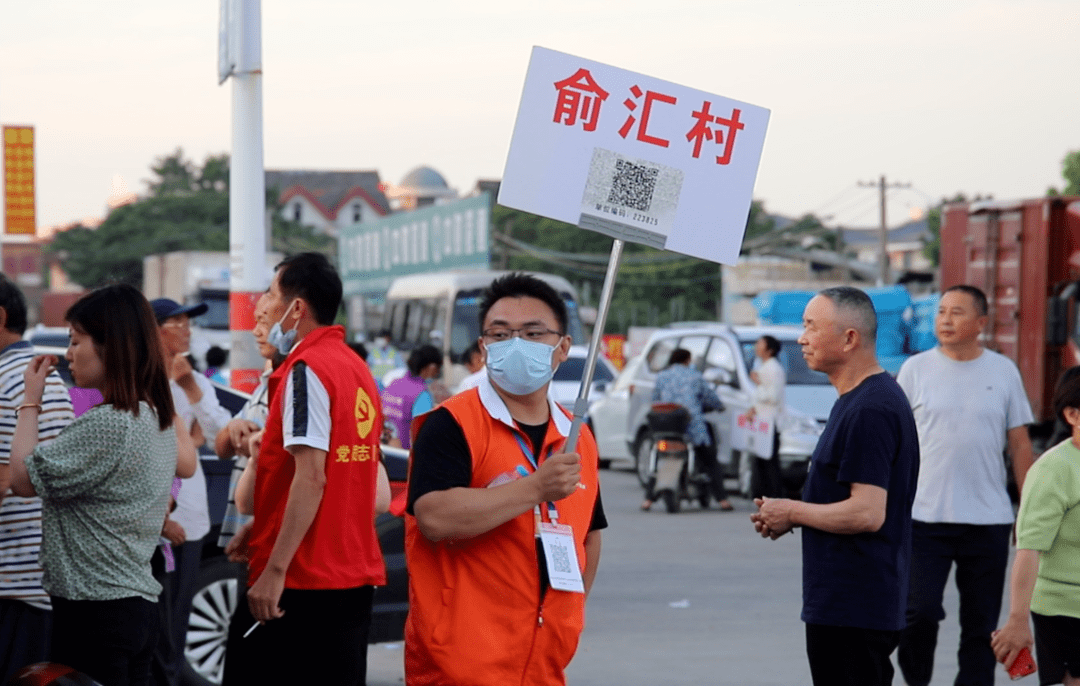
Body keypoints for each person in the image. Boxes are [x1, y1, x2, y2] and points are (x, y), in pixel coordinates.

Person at [405, 272, 605, 686]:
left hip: (543, 664)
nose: (516, 344)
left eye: (533, 332)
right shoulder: (451, 424)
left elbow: (589, 532)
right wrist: (535, 488)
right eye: (500, 334)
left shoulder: (576, 435)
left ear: (563, 347)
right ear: (483, 348)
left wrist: (567, 613)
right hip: (459, 665)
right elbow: (434, 517)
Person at [8, 284, 197, 686]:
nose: (69, 354)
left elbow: (23, 480)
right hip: (135, 608)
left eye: (77, 341)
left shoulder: (108, 424)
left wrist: (31, 401)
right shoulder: (153, 418)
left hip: (95, 615)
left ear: (112, 346)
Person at [221, 253, 385, 686]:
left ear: (297, 308)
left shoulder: (306, 370)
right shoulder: (356, 368)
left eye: (271, 296)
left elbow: (313, 477)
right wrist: (264, 526)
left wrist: (274, 570)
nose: (264, 306)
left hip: (302, 581)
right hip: (348, 577)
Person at [751, 286, 919, 686]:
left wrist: (792, 511)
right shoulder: (856, 399)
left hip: (855, 606)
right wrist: (791, 515)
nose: (801, 338)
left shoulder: (871, 407)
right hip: (846, 603)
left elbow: (867, 511)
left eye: (810, 326)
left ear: (849, 339)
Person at [895, 284, 1035, 686]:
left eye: (956, 312)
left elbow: (1020, 443)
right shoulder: (915, 370)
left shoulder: (1002, 370)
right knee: (918, 613)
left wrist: (1027, 509)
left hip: (987, 519)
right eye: (941, 312)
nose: (945, 319)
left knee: (980, 624)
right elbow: (897, 440)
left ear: (981, 323)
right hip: (923, 516)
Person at [151, 298, 232, 685]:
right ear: (154, 331)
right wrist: (159, 518)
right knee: (155, 628)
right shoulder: (138, 379)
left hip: (191, 516)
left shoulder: (193, 381)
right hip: (154, 522)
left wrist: (190, 388)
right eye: (177, 323)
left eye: (188, 323)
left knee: (177, 624)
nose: (187, 330)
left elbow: (221, 436)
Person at [0, 275, 74, 683]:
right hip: (30, 579)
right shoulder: (28, 374)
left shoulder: (11, 378)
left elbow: (2, 479)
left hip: (12, 582)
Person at [992, 373, 1080, 685]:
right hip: (1066, 609)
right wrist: (1017, 620)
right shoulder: (1053, 470)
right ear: (1072, 415)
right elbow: (1028, 551)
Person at [642, 348, 731, 511]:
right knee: (710, 459)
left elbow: (655, 400)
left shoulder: (662, 376)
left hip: (664, 427)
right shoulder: (695, 376)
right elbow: (710, 398)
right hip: (691, 428)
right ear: (687, 360)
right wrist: (719, 407)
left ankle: (648, 500)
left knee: (658, 461)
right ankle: (722, 500)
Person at [381, 344, 442, 449]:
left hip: (381, 449)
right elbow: (422, 433)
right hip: (402, 455)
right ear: (432, 367)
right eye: (438, 369)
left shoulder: (393, 384)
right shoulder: (422, 394)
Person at [748, 334, 785, 499]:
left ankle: (773, 495)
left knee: (769, 462)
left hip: (770, 422)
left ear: (769, 350)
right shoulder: (763, 366)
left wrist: (758, 382)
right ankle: (761, 494)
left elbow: (773, 396)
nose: (757, 346)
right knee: (761, 461)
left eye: (760, 343)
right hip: (762, 422)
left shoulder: (773, 369)